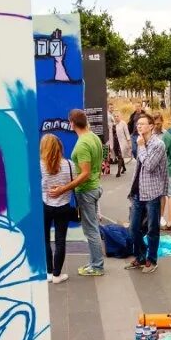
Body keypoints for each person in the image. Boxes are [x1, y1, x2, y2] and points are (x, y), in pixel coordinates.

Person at [54, 109, 105, 276]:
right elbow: (97, 165)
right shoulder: (94, 137)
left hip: (87, 190)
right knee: (93, 228)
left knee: (91, 230)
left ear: (72, 123)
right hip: (94, 187)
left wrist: (64, 188)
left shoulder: (83, 144)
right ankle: (94, 263)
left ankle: (97, 266)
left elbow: (85, 173)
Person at [126, 114, 167, 273]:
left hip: (152, 192)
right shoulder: (140, 142)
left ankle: (152, 259)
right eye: (138, 124)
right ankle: (140, 256)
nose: (139, 127)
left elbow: (149, 165)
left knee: (152, 229)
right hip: (137, 191)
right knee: (133, 229)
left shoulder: (158, 144)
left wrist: (141, 147)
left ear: (151, 126)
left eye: (142, 124)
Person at [40, 134, 73, 283]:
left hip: (45, 206)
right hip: (63, 206)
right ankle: (57, 274)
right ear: (60, 147)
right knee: (60, 241)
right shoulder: (70, 165)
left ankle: (47, 271)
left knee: (45, 239)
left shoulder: (40, 165)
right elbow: (74, 184)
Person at [108, 106, 130, 177]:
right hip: (115, 142)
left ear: (120, 116)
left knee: (120, 155)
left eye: (117, 116)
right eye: (115, 116)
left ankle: (118, 172)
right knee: (118, 156)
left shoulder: (123, 123)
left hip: (122, 142)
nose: (116, 117)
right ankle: (124, 168)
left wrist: (129, 142)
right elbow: (110, 134)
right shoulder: (112, 125)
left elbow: (127, 133)